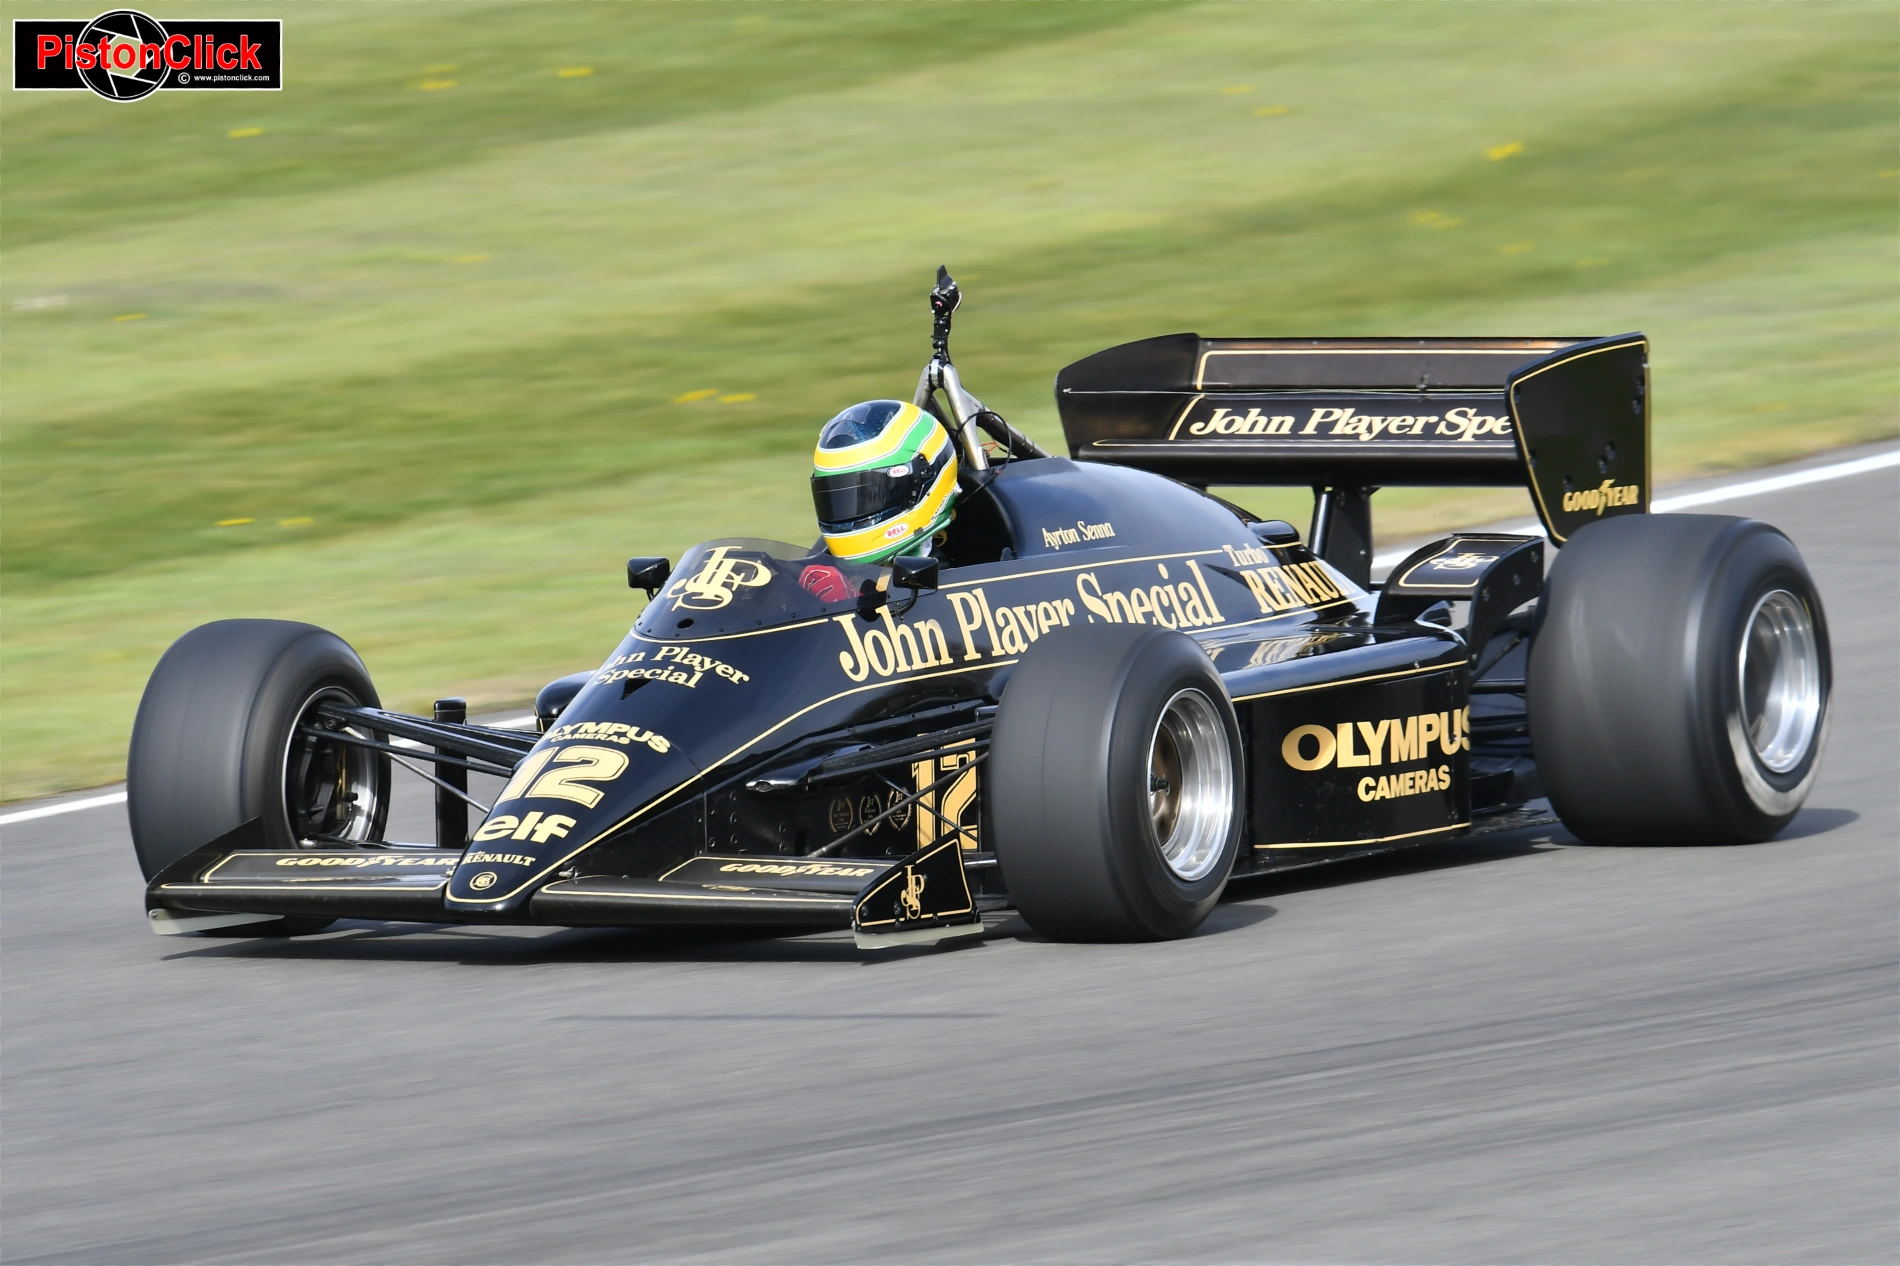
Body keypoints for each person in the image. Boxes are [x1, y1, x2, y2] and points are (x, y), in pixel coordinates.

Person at [809, 400, 959, 566]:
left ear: (920, 482)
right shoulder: (822, 572)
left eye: (871, 495)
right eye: (840, 499)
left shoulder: (944, 579)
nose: (847, 511)